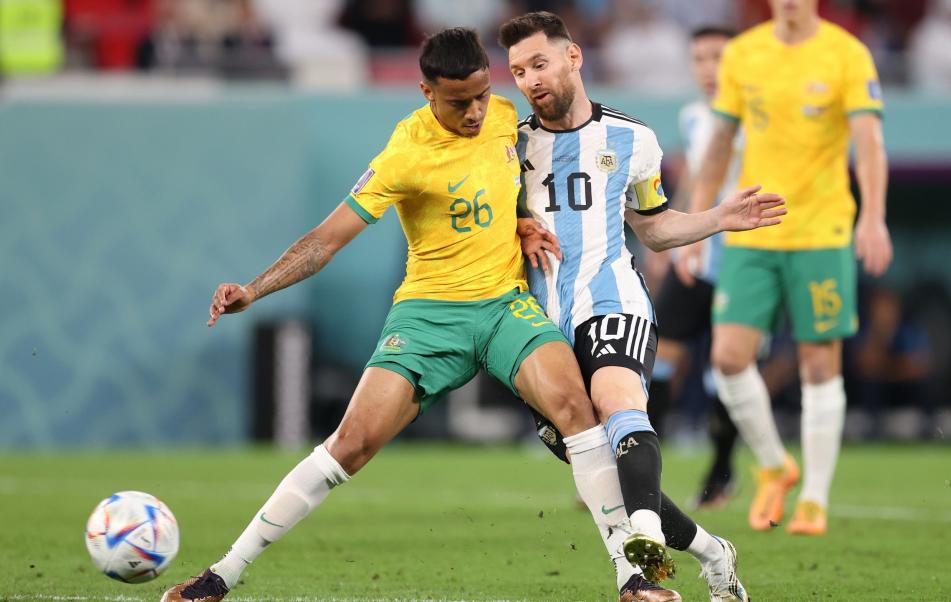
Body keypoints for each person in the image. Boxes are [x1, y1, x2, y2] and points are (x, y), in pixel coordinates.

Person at [160, 27, 635, 602]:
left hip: (506, 305)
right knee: (350, 446)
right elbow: (325, 241)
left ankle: (631, 576)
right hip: (428, 316)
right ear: (426, 92)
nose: (476, 111)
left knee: (575, 409)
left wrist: (518, 219)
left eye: (483, 94)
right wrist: (255, 289)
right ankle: (223, 574)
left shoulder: (508, 117)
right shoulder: (405, 153)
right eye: (460, 102)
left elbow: (506, 184)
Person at [499, 11, 786, 601]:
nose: (529, 79)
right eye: (518, 71)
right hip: (541, 324)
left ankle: (640, 564)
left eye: (540, 63)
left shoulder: (634, 139)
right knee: (598, 459)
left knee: (617, 400)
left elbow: (653, 228)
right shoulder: (513, 147)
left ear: (573, 58)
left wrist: (718, 218)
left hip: (614, 299)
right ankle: (712, 551)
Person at [677, 0, 893, 536]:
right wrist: (702, 223)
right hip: (755, 230)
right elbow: (721, 143)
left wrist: (874, 216)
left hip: (821, 232)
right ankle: (775, 463)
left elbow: (869, 142)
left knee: (819, 363)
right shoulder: (745, 54)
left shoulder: (846, 54)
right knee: (728, 358)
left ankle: (815, 498)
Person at [646, 25, 742, 510]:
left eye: (719, 57)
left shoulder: (756, 115)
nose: (709, 69)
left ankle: (722, 475)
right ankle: (638, 474)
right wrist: (668, 241)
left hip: (746, 261)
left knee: (726, 368)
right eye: (700, 58)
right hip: (696, 258)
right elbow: (696, 184)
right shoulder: (692, 117)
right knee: (660, 358)